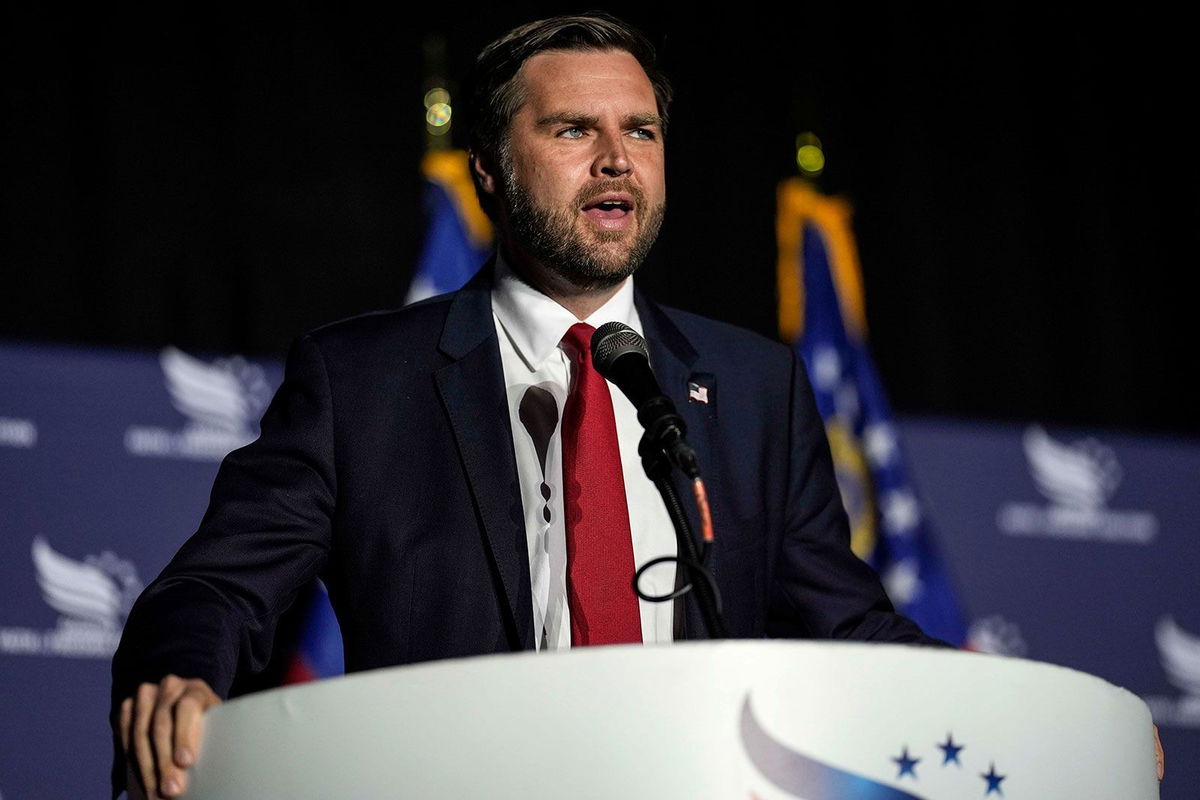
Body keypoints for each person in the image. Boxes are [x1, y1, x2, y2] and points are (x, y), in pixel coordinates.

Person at [111, 13, 1021, 799]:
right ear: (493, 172)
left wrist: (1023, 717)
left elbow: (849, 624)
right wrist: (178, 674)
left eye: (644, 131)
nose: (619, 159)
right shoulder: (362, 383)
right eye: (574, 131)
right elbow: (215, 587)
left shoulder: (754, 389)